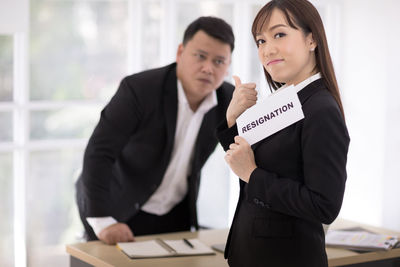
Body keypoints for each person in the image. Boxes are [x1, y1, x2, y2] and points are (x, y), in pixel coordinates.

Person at [76, 16, 234, 245]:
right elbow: (99, 152)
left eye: (219, 61)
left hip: (174, 215)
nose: (208, 68)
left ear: (228, 66)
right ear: (180, 52)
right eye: (200, 56)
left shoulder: (228, 100)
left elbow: (249, 153)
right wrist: (102, 221)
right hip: (116, 209)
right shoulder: (139, 90)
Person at [216, 1, 350, 266]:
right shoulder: (286, 101)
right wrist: (232, 118)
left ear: (311, 39)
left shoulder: (320, 108)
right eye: (260, 41)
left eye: (279, 34)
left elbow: (324, 205)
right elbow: (243, 158)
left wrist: (252, 175)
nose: (267, 49)